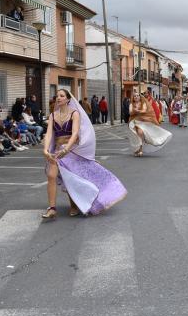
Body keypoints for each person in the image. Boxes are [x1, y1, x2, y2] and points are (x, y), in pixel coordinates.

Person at [42, 89, 127, 219]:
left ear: (68, 99)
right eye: (57, 96)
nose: (58, 98)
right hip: (57, 151)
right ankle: (52, 208)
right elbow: (49, 134)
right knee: (51, 175)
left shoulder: (74, 113)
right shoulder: (53, 115)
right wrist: (46, 149)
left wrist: (67, 149)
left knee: (71, 178)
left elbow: (75, 133)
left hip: (72, 150)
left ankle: (76, 204)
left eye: (61, 96)